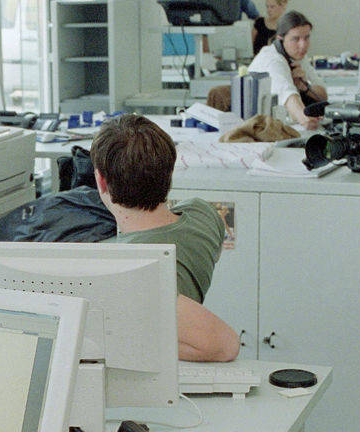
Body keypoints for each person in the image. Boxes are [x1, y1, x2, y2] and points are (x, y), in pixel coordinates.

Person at [91, 114, 241, 362]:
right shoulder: (204, 215)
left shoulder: (114, 267)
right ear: (169, 172)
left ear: (101, 180)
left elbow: (225, 345)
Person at [247, 11, 327, 130]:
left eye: (306, 38)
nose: (303, 45)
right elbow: (287, 94)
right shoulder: (273, 59)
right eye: (296, 39)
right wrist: (304, 119)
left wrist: (305, 88)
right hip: (257, 125)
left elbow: (323, 95)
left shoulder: (298, 56)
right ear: (280, 38)